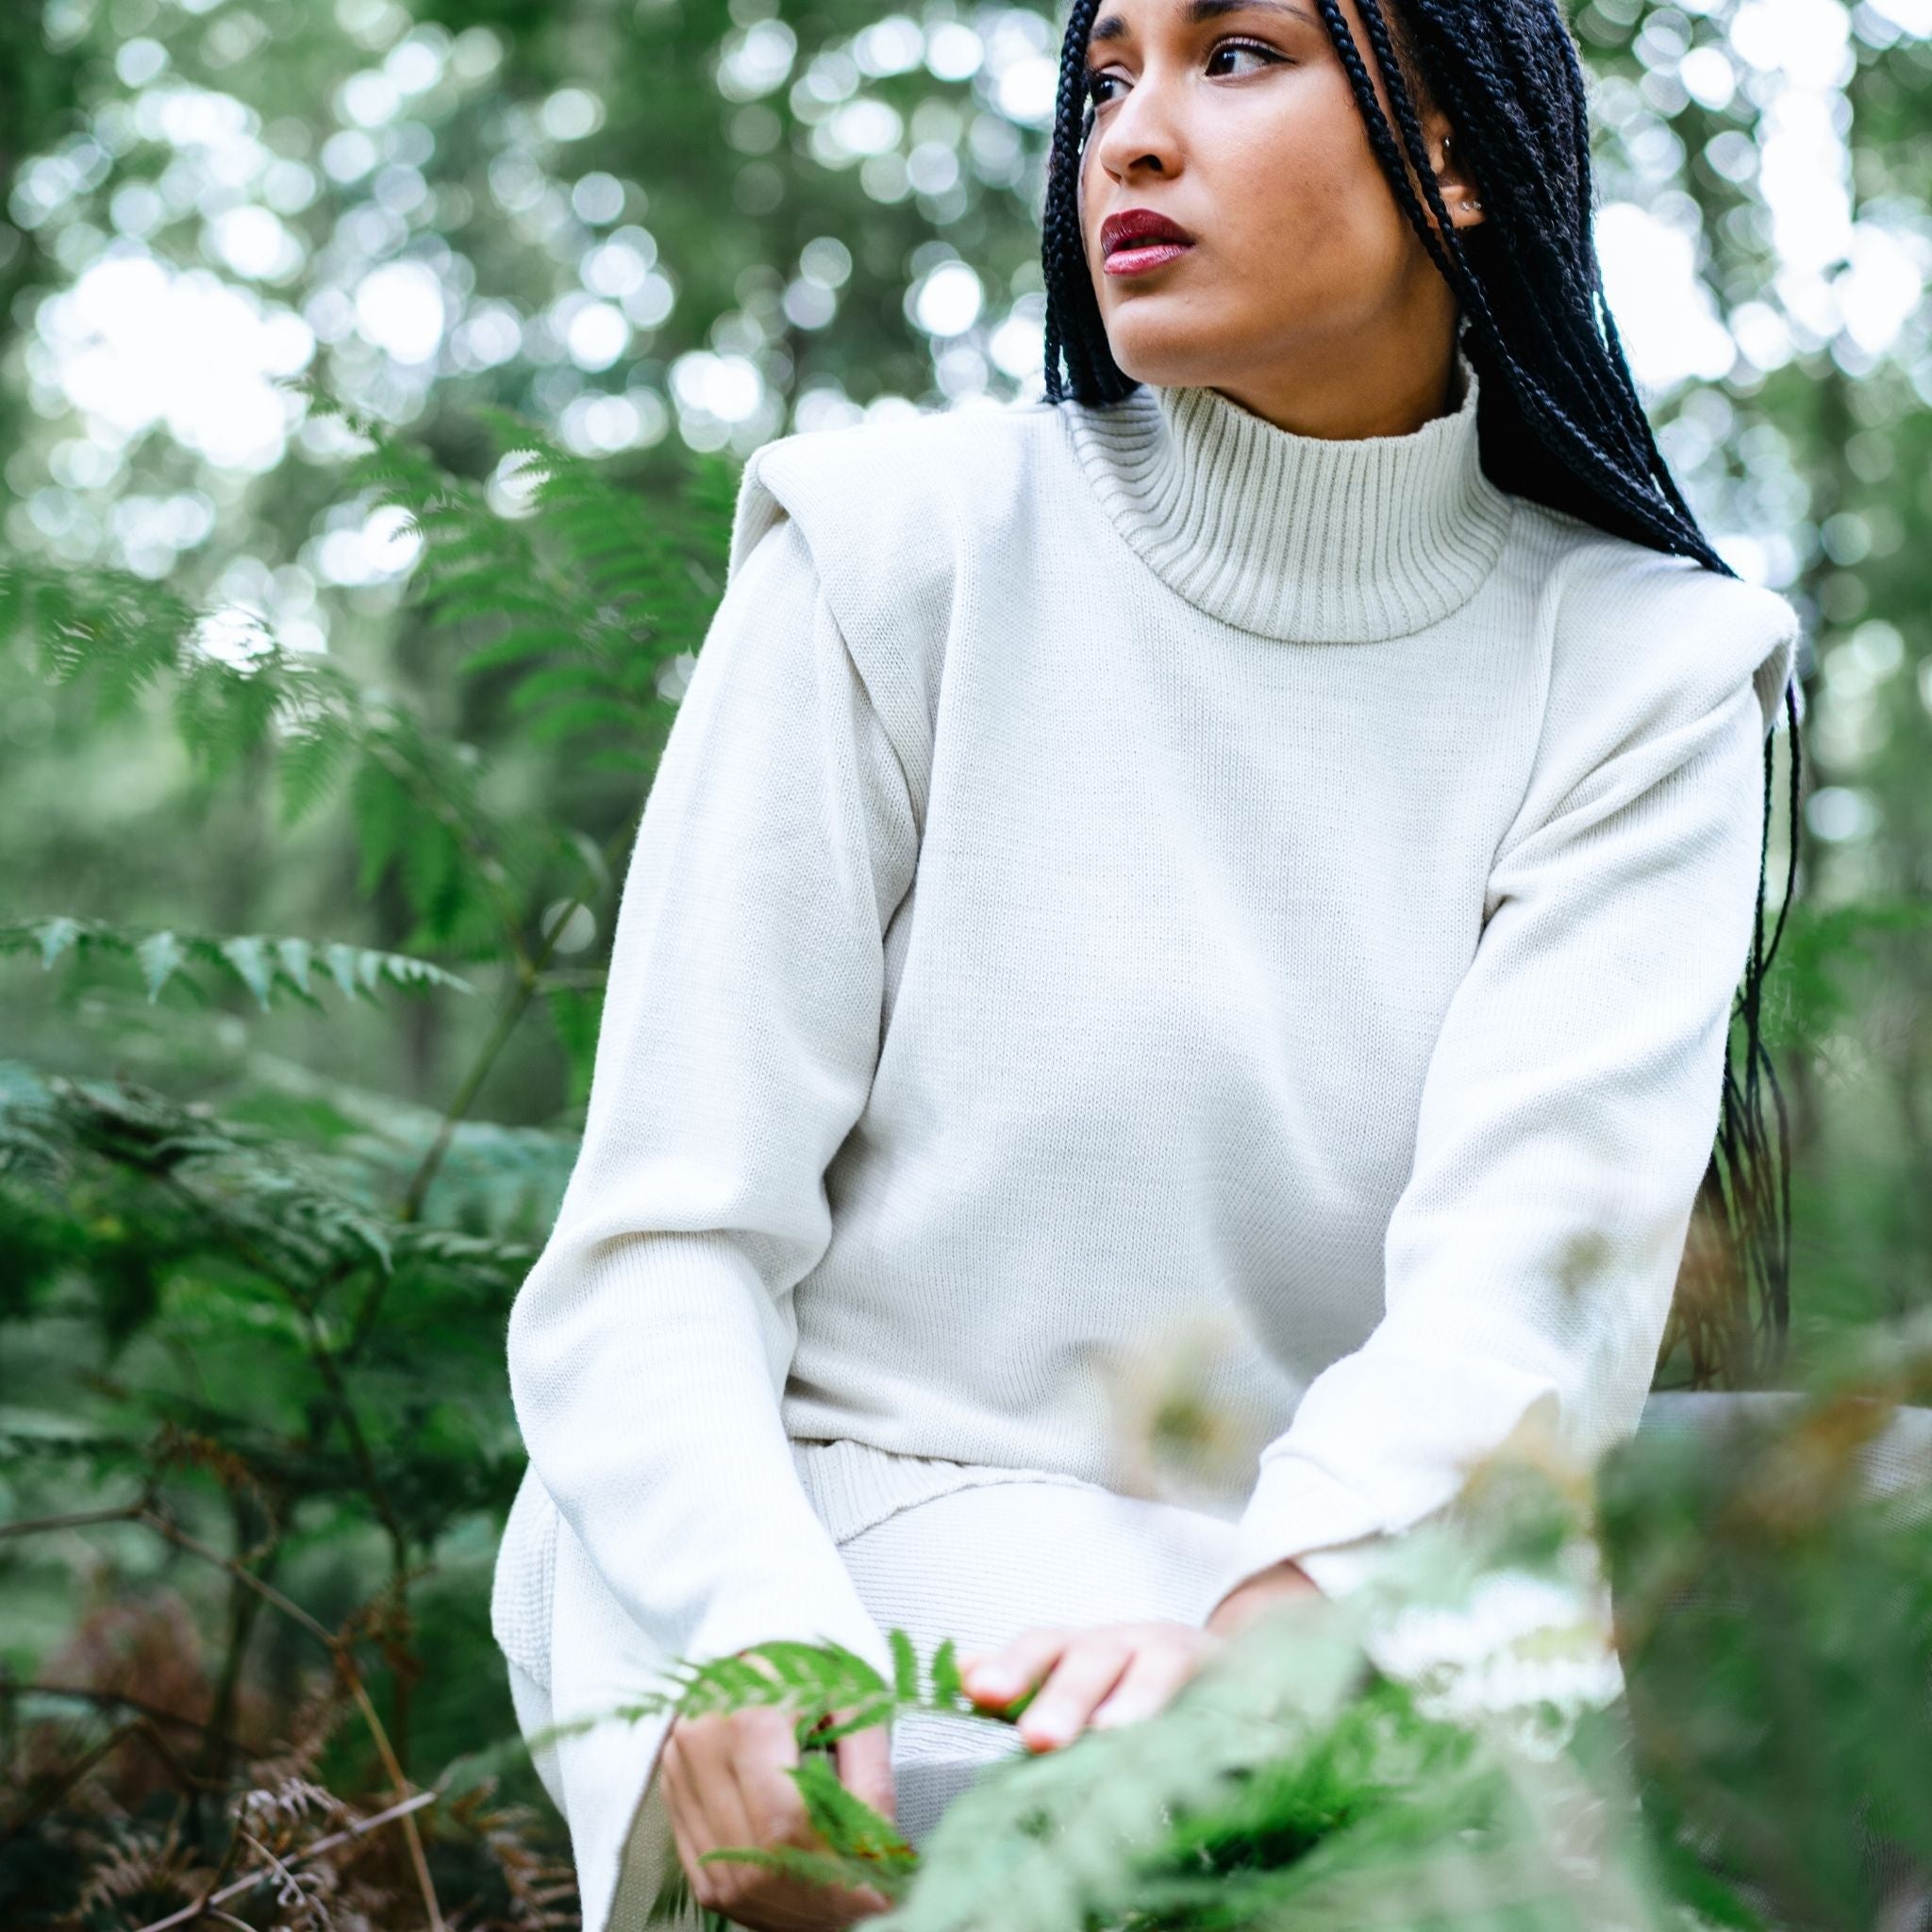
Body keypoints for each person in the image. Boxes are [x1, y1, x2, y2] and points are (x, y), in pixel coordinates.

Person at [491, 0, 1805, 1918]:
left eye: (1236, 55)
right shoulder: (891, 552)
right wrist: (755, 1624)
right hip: (827, 1519)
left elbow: (1526, 1299)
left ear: (1452, 152)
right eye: (1106, 78)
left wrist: (1291, 1620)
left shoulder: (1642, 674)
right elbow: (660, 1251)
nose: (1126, 137)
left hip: (1353, 1562)